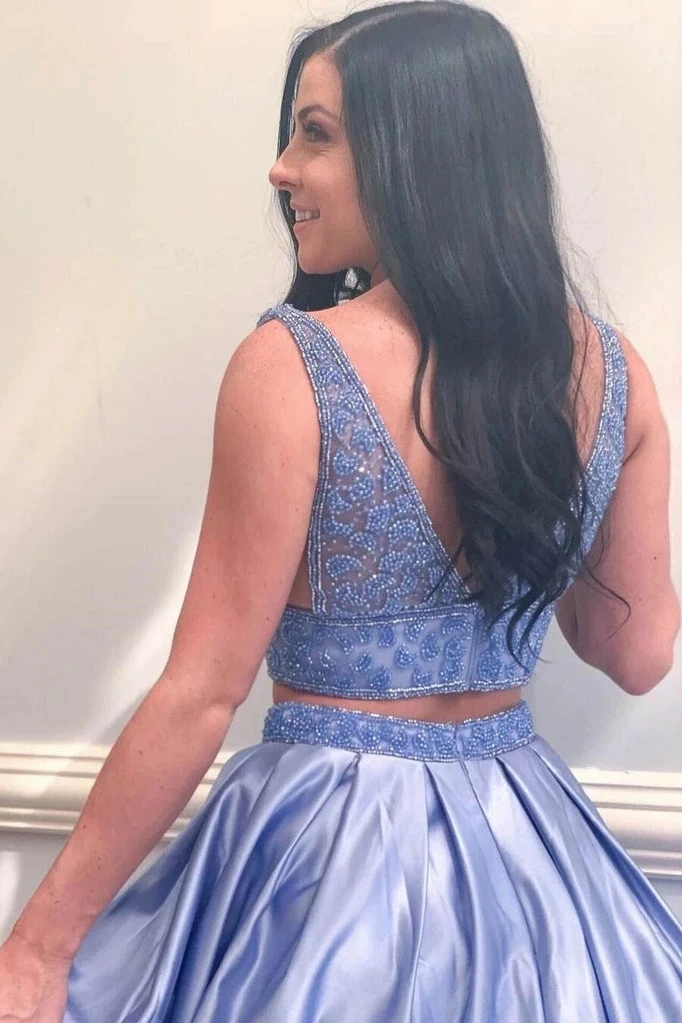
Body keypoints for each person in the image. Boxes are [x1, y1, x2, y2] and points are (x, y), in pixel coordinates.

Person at [1, 2, 681, 1020]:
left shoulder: (291, 365)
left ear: (418, 151)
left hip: (327, 861)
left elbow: (201, 693)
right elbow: (635, 654)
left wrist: (38, 949)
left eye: (314, 134)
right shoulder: (613, 374)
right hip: (529, 861)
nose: (280, 169)